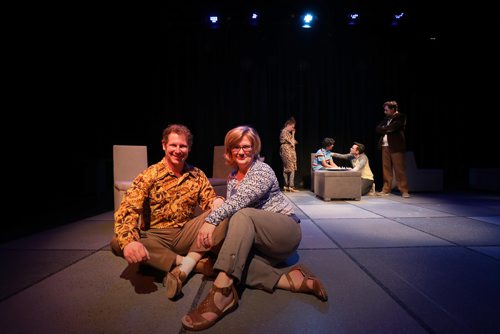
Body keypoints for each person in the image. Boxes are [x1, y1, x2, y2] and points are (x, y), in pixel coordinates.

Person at [181, 126, 328, 331]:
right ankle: (289, 280)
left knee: (241, 216)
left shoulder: (261, 170)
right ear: (230, 150)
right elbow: (231, 208)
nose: (241, 152)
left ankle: (222, 292)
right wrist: (219, 201)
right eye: (236, 148)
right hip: (259, 239)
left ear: (254, 148)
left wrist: (210, 220)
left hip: (284, 231)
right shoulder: (233, 176)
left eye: (246, 147)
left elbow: (239, 203)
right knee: (230, 256)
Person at [110, 124, 228, 300]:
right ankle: (190, 263)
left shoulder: (197, 175)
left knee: (225, 212)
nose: (178, 150)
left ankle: (164, 264)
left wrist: (217, 201)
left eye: (183, 146)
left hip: (187, 234)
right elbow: (128, 209)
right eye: (173, 145)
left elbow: (209, 200)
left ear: (189, 148)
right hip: (155, 237)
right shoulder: (149, 175)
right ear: (164, 145)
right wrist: (130, 243)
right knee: (118, 242)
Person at [375, 100, 410, 198]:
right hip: (385, 146)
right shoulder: (386, 118)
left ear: (393, 109)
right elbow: (378, 128)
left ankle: (404, 190)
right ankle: (386, 189)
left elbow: (394, 127)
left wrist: (385, 128)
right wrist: (386, 127)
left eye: (386, 110)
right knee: (386, 169)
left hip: (396, 146)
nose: (384, 112)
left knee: (399, 169)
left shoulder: (401, 117)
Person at [279, 117, 299, 192]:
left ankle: (286, 186)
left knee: (286, 168)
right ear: (288, 125)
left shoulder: (287, 133)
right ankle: (291, 186)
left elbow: (293, 141)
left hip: (287, 149)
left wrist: (293, 134)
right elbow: (293, 142)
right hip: (287, 150)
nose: (293, 129)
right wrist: (292, 142)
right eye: (292, 127)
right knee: (291, 167)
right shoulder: (284, 132)